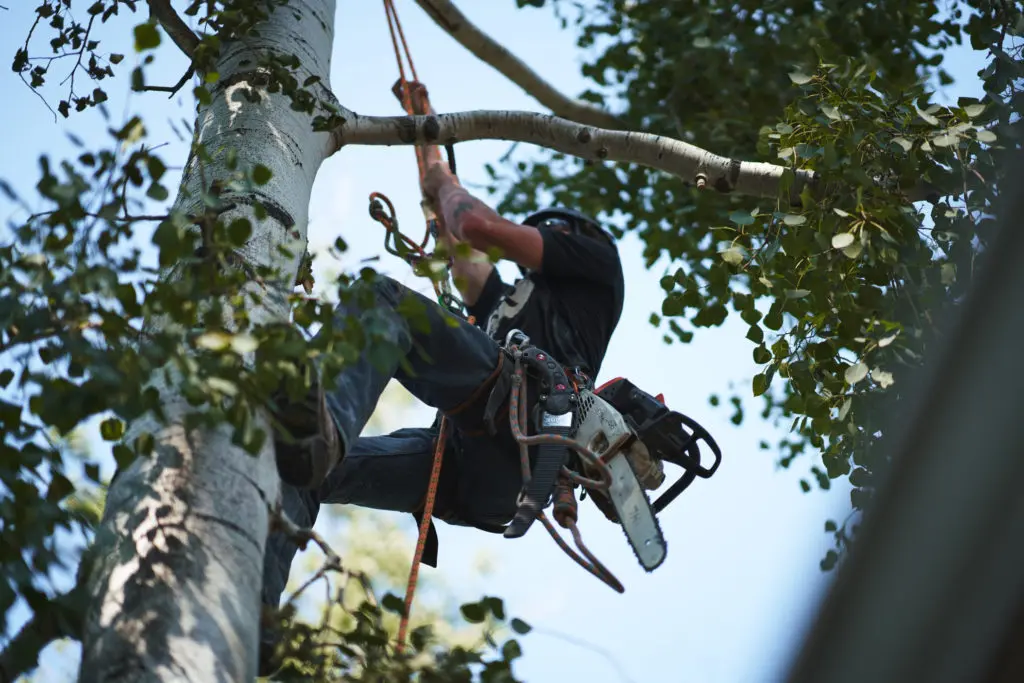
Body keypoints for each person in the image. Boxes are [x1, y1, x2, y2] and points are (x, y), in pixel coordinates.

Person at [258, 94, 624, 672]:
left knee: (381, 301)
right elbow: (462, 252)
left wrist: (455, 201)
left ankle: (324, 428)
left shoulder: (593, 264)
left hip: (526, 420)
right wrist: (426, 131)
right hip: (474, 470)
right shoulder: (507, 304)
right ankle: (255, 616)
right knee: (299, 467)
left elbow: (474, 226)